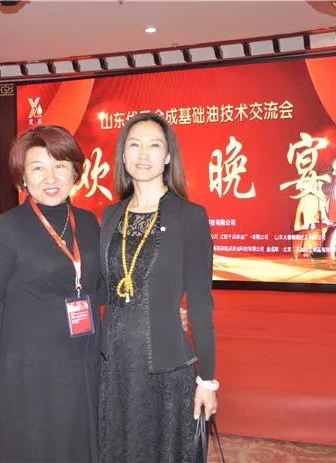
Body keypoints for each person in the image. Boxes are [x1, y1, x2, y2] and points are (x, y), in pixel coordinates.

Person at [0, 125, 102, 462]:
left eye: (59, 165)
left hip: (84, 362)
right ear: (23, 178)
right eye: (38, 168)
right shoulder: (6, 228)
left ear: (75, 171)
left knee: (80, 448)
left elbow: (100, 289)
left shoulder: (89, 223)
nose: (51, 178)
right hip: (31, 369)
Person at [98, 113, 217, 462]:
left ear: (167, 156)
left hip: (165, 366)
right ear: (123, 156)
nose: (143, 154)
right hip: (114, 364)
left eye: (154, 145)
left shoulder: (189, 216)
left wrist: (208, 380)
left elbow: (201, 304)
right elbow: (102, 287)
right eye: (134, 145)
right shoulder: (111, 216)